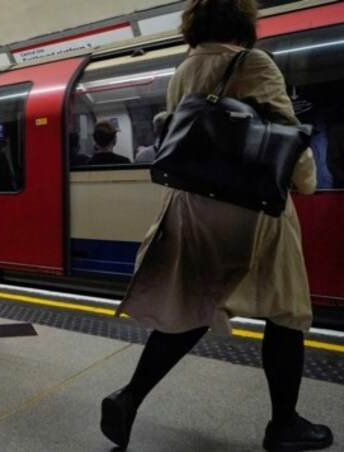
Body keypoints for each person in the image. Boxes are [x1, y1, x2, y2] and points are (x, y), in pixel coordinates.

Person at [100, 2, 333, 451]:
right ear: (244, 21)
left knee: (196, 307)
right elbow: (286, 135)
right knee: (286, 313)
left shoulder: (184, 69)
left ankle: (129, 397)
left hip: (195, 208)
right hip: (254, 213)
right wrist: (307, 180)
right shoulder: (251, 62)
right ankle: (284, 424)